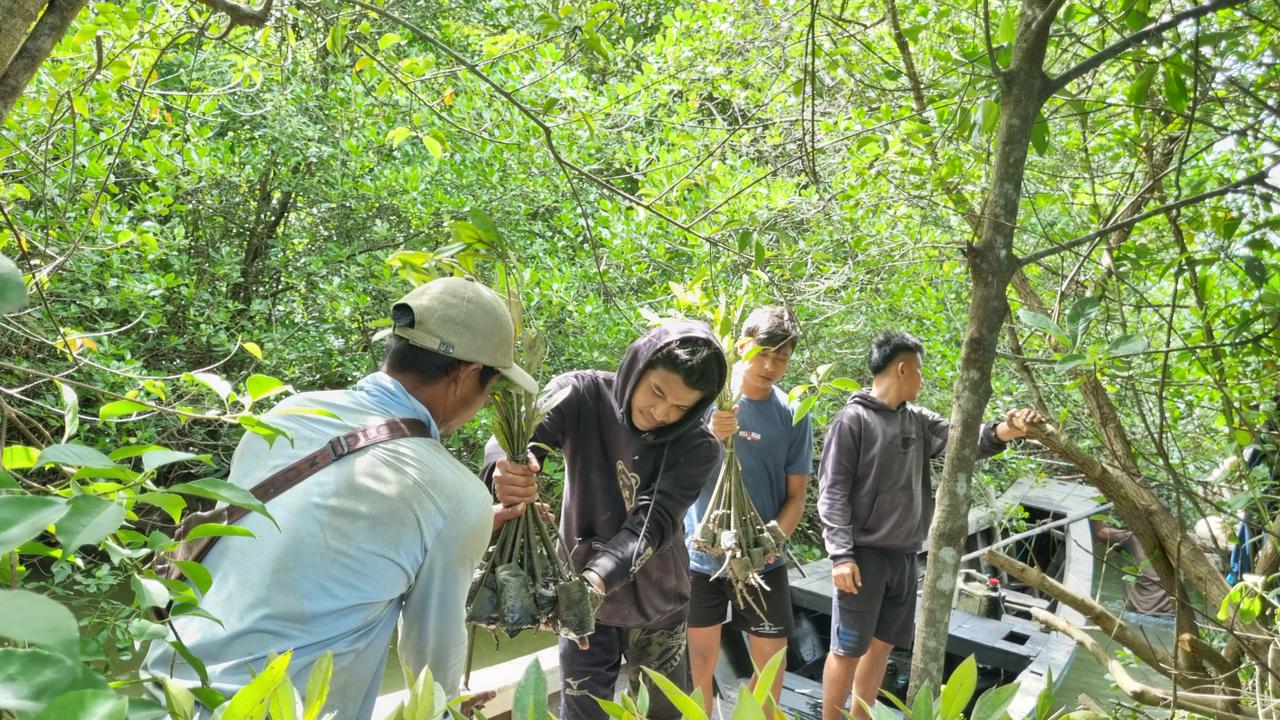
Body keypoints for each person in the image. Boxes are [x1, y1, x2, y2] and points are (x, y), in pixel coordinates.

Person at [145, 276, 536, 719]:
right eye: (490, 388)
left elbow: (304, 545)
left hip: (160, 693)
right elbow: (431, 676)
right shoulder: (453, 494)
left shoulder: (288, 413)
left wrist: (458, 530)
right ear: (466, 377)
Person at [488, 320, 727, 720]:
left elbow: (653, 522)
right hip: (581, 610)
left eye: (682, 407)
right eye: (657, 392)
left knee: (664, 714)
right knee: (582, 712)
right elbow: (520, 435)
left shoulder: (698, 445)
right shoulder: (581, 394)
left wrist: (596, 580)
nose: (662, 412)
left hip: (657, 606)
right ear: (638, 366)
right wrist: (504, 467)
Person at [816, 330, 1041, 720]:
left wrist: (1008, 429)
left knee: (883, 647)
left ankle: (861, 717)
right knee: (847, 648)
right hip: (863, 558)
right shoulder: (852, 421)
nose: (922, 379)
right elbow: (831, 492)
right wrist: (840, 556)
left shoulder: (917, 421)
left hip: (904, 557)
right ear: (901, 368)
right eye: (919, 371)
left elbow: (964, 439)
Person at [684, 306, 812, 712]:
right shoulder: (706, 399)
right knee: (697, 664)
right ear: (741, 347)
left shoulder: (792, 412)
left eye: (782, 357)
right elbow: (671, 467)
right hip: (701, 555)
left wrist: (771, 543)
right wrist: (707, 435)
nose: (771, 365)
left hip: (764, 558)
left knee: (772, 663)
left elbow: (797, 495)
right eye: (763, 353)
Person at [1091, 520, 1175, 620]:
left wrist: (1096, 506)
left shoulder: (1133, 539)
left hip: (1136, 615)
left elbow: (1099, 532)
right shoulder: (1182, 544)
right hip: (1171, 618)